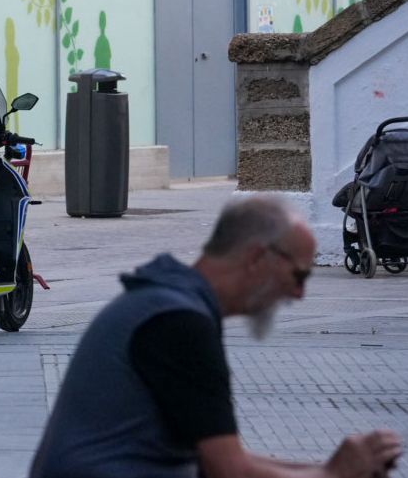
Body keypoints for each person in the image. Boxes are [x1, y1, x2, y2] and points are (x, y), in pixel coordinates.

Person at [30, 195, 402, 478]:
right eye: (300, 276)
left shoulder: (169, 302)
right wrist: (331, 474)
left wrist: (327, 469)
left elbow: (216, 457)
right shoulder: (179, 323)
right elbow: (230, 470)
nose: (299, 294)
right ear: (258, 258)